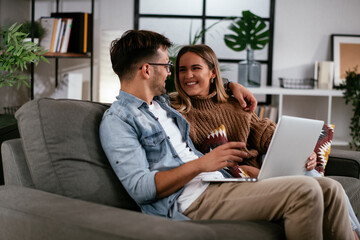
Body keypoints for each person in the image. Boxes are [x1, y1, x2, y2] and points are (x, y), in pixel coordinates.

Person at [99, 29, 354, 240]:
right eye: (167, 66)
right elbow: (140, 188)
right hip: (190, 199)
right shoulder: (118, 121)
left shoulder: (164, 104)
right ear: (146, 70)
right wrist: (202, 164)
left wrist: (231, 86)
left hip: (218, 182)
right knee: (306, 191)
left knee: (330, 188)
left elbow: (205, 90)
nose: (170, 72)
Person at [170, 43, 360, 239]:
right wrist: (250, 172)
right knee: (315, 183)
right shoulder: (174, 111)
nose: (188, 75)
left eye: (196, 68)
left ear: (212, 73)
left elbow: (266, 132)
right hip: (235, 178)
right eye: (182, 70)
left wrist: (303, 151)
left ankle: (353, 234)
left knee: (313, 173)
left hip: (264, 168)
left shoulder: (234, 102)